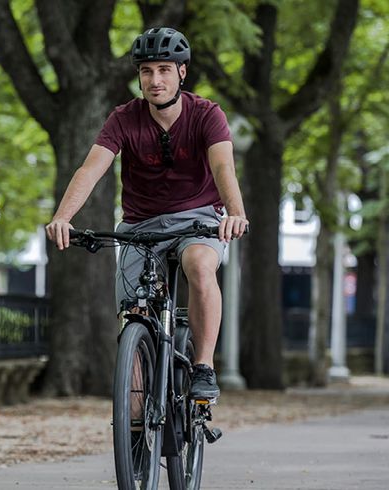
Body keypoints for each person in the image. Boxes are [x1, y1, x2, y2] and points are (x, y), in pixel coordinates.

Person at [45, 27, 248, 400]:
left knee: (200, 266)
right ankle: (136, 409)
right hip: (140, 225)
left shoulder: (207, 114)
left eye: (164, 70)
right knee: (133, 313)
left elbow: (223, 167)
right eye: (146, 71)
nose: (155, 80)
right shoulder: (124, 118)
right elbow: (90, 169)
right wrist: (63, 217)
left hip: (197, 219)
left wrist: (235, 212)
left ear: (181, 72)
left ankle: (203, 366)